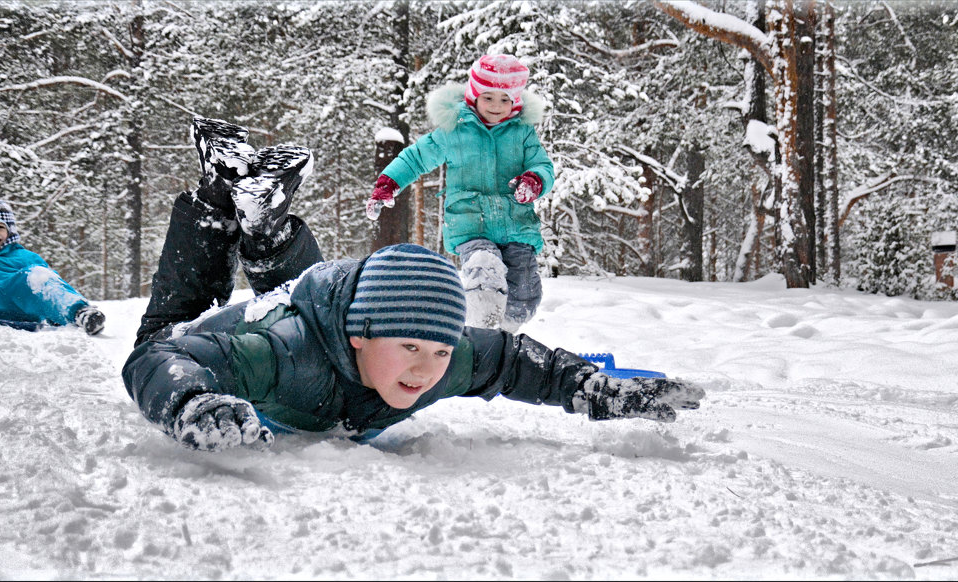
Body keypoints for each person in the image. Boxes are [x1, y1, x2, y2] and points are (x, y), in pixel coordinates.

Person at [122, 116, 703, 452]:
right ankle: (218, 200)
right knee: (174, 317)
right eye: (411, 348)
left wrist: (596, 390)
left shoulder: (439, 357)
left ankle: (265, 222)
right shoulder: (277, 357)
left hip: (327, 303)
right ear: (361, 336)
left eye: (439, 350)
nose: (427, 369)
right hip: (254, 330)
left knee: (294, 285)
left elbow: (521, 363)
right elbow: (159, 357)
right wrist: (194, 401)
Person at [365, 54, 552, 333]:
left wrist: (535, 180)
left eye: (505, 99)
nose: (496, 107)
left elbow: (542, 165)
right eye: (488, 98)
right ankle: (482, 327)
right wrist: (388, 183)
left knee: (524, 293)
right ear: (474, 95)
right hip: (470, 223)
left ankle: (504, 337)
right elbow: (416, 157)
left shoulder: (522, 133)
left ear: (515, 101)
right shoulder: (454, 130)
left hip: (516, 225)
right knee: (483, 265)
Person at [0, 197, 105, 335]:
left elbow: (53, 285)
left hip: (25, 307)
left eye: (0, 227)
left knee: (39, 274)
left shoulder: (27, 257)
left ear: (10, 231)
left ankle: (79, 313)